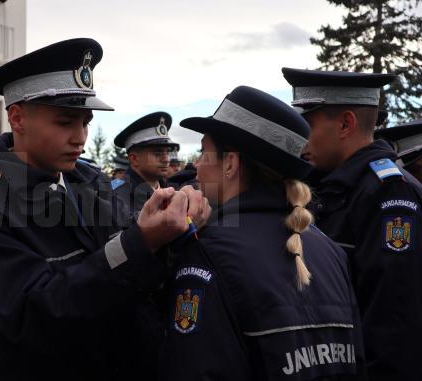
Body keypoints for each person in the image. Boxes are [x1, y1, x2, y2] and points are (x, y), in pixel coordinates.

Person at [0, 38, 210, 381]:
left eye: (86, 123)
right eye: (65, 122)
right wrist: (139, 242)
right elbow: (35, 312)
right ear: (17, 118)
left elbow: (140, 285)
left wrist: (174, 231)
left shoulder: (93, 182)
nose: (80, 137)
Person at [161, 85, 365, 380]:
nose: (196, 167)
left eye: (204, 152)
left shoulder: (207, 252)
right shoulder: (329, 249)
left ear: (230, 162)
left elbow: (194, 366)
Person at [283, 67, 422, 380]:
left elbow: (394, 325)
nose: (298, 138)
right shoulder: (330, 187)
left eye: (307, 124)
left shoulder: (388, 194)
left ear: (345, 123)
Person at [113, 111, 179, 214]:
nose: (166, 159)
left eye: (168, 152)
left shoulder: (172, 191)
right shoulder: (114, 195)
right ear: (134, 159)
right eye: (158, 153)